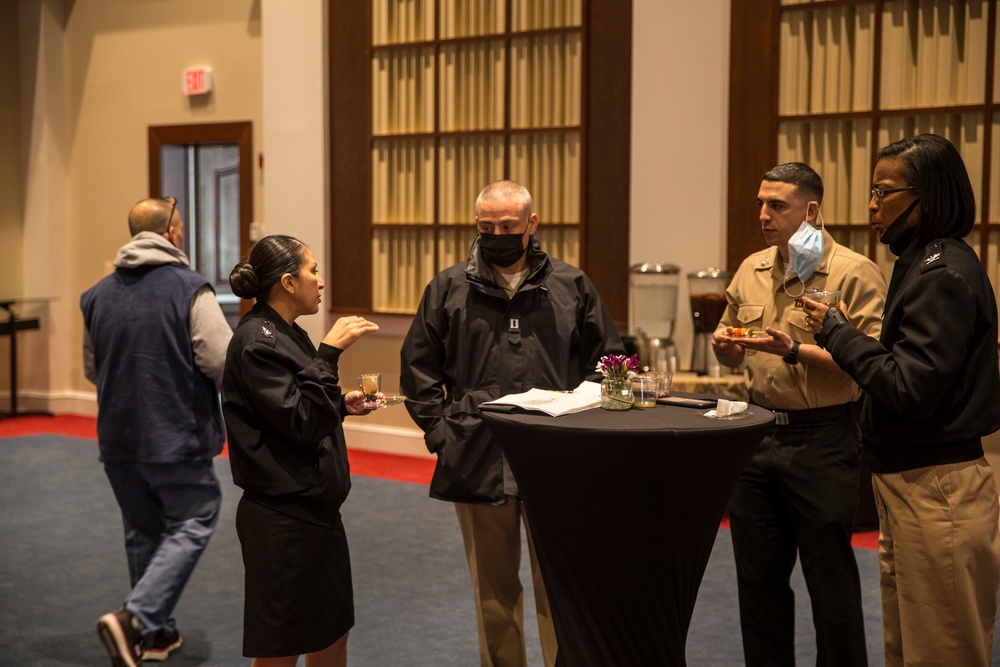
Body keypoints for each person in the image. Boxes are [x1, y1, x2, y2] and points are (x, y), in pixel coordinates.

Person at [400, 180, 623, 667]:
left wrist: (589, 433)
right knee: (492, 591)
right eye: (486, 227)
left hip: (556, 457)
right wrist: (443, 434)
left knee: (561, 589)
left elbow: (610, 362)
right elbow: (418, 369)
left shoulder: (571, 285)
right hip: (477, 453)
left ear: (531, 224)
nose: (497, 234)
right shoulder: (448, 287)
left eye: (507, 226)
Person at [805, 134, 1000, 666]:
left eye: (883, 191)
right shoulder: (921, 264)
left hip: (939, 488)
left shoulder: (942, 274)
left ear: (927, 201)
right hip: (913, 484)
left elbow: (909, 388)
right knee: (908, 649)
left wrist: (839, 334)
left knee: (943, 651)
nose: (871, 204)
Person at [710, 162, 886, 666]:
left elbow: (870, 361)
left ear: (811, 209)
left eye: (777, 205)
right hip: (757, 436)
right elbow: (733, 350)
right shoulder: (752, 268)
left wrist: (794, 351)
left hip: (824, 440)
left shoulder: (853, 272)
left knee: (831, 585)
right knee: (758, 584)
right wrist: (725, 346)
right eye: (761, 204)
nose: (763, 215)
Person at [82, 196, 233, 666]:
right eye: (181, 226)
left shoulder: (96, 295)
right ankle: (137, 617)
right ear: (172, 233)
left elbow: (92, 368)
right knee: (195, 517)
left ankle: (155, 634)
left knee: (142, 531)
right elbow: (222, 361)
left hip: (117, 437)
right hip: (175, 435)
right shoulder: (192, 289)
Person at [221, 234, 380, 667]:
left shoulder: (287, 332)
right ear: (289, 282)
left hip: (315, 510)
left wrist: (339, 405)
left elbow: (298, 410)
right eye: (313, 271)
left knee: (331, 634)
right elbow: (300, 422)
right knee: (281, 650)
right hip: (282, 518)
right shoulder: (257, 341)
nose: (321, 280)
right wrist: (330, 353)